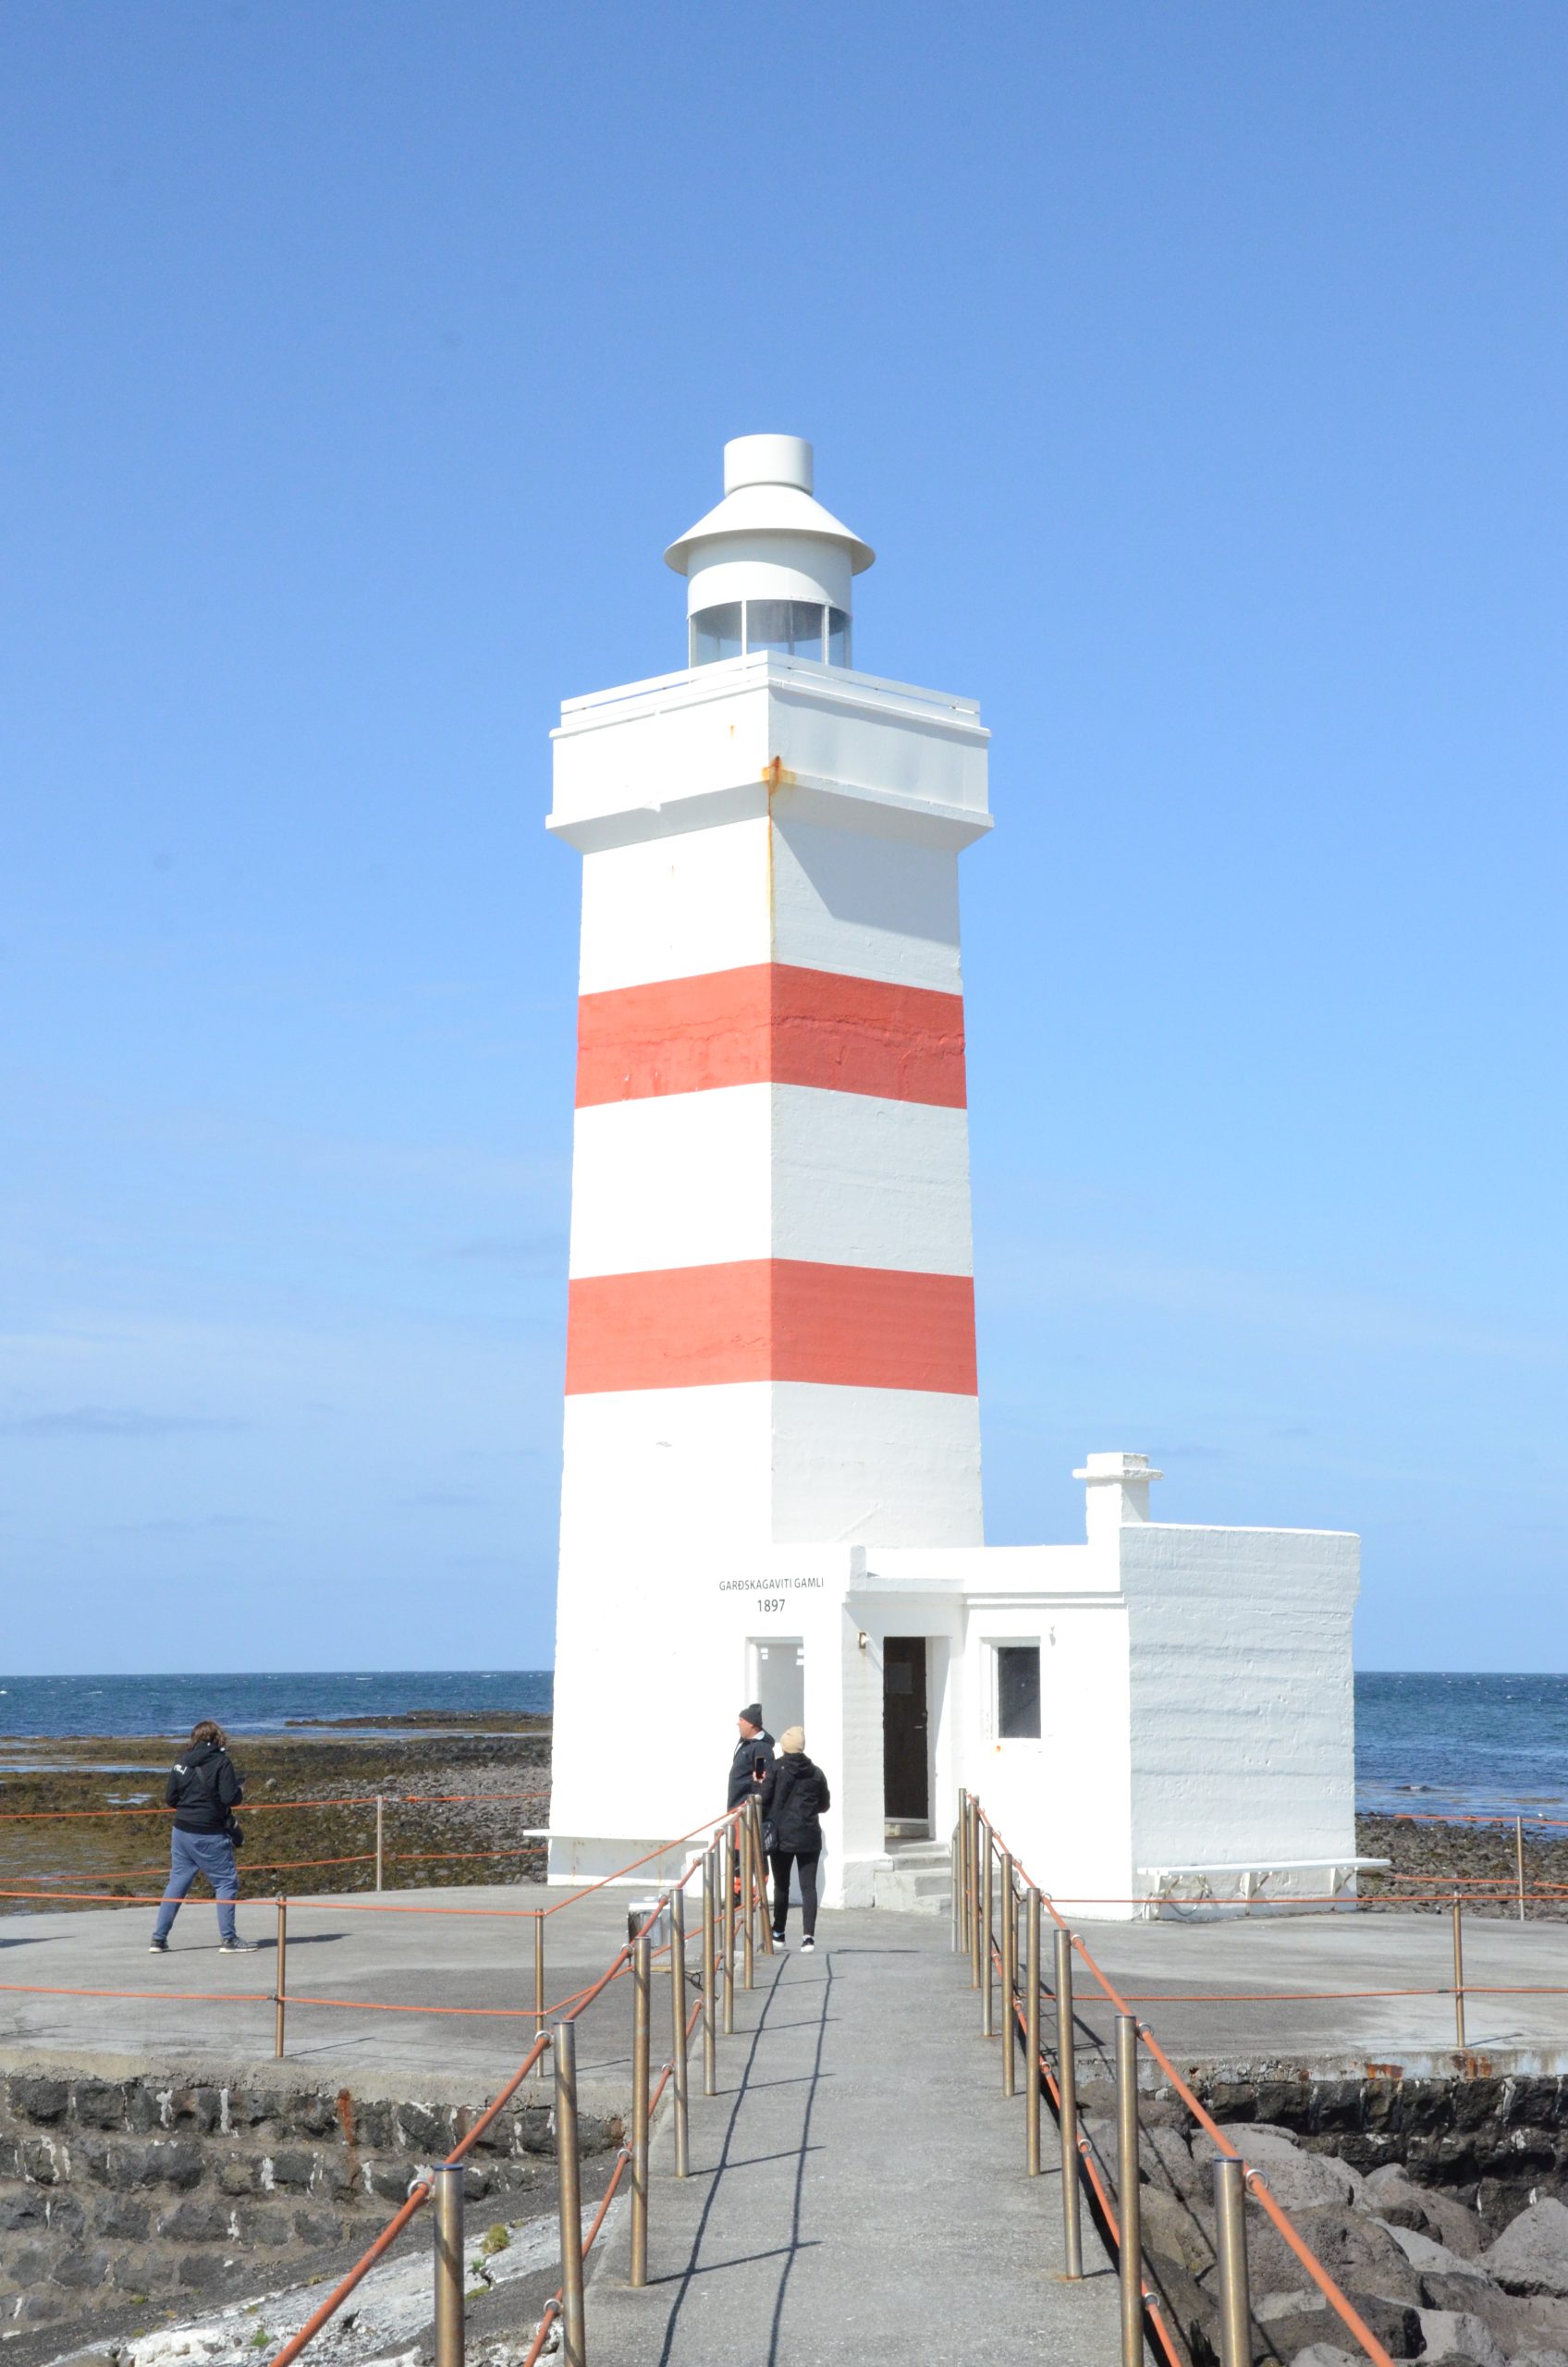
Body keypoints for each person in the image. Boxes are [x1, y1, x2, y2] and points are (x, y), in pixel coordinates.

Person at [149, 1720, 255, 1953]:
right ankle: (229, 1939)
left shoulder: (181, 1761)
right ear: (218, 1739)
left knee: (177, 1882)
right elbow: (230, 1798)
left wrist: (191, 1804)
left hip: (181, 1831)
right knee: (225, 1882)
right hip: (209, 1832)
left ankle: (158, 1938)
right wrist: (239, 1791)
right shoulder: (221, 1762)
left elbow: (171, 1798)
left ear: (194, 1738)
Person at [759, 1725, 830, 1953]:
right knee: (809, 1888)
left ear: (784, 1747)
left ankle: (778, 1932)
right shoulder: (816, 1773)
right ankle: (808, 1938)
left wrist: (757, 1784)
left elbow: (763, 1798)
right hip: (809, 1835)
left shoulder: (775, 1768)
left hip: (782, 1836)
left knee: (782, 1885)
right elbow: (824, 1805)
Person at [727, 1701, 775, 1810]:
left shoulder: (761, 1749)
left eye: (741, 1720)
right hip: (738, 1808)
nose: (738, 1723)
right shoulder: (746, 1745)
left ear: (751, 1724)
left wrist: (752, 1806)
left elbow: (760, 1779)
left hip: (748, 1811)